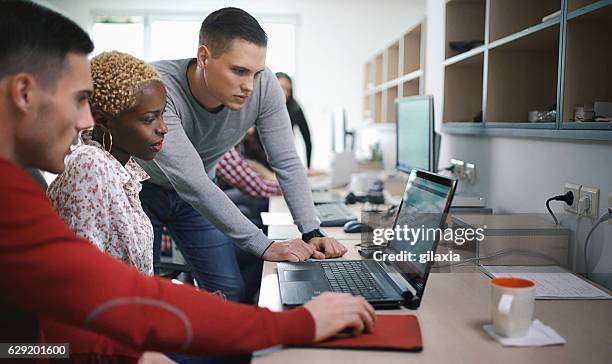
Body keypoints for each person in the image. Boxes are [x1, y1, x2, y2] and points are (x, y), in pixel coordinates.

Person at [0, 0, 375, 359]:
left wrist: (311, 232)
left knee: (222, 297)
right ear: (23, 93)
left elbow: (93, 304)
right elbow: (106, 304)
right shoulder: (83, 171)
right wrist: (295, 323)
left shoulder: (23, 185)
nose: (87, 121)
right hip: (58, 340)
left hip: (52, 347)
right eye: (80, 99)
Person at [137, 7, 347, 303]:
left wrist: (312, 231)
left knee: (231, 292)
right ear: (204, 57)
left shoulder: (264, 87)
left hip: (199, 194)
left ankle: (214, 348)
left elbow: (286, 162)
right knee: (142, 298)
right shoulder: (159, 88)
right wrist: (264, 245)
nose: (249, 85)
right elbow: (192, 181)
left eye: (257, 72)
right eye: (238, 71)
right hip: (143, 192)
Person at [42, 50, 170, 361]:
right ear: (103, 121)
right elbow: (83, 292)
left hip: (127, 330)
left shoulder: (123, 171)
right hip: (94, 347)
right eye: (149, 119)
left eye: (163, 114)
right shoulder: (90, 167)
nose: (163, 127)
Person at [275, 72, 313, 169]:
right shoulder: (260, 105)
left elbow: (307, 139)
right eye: (281, 87)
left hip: (285, 158)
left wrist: (308, 167)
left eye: (288, 90)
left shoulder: (294, 107)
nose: (284, 93)